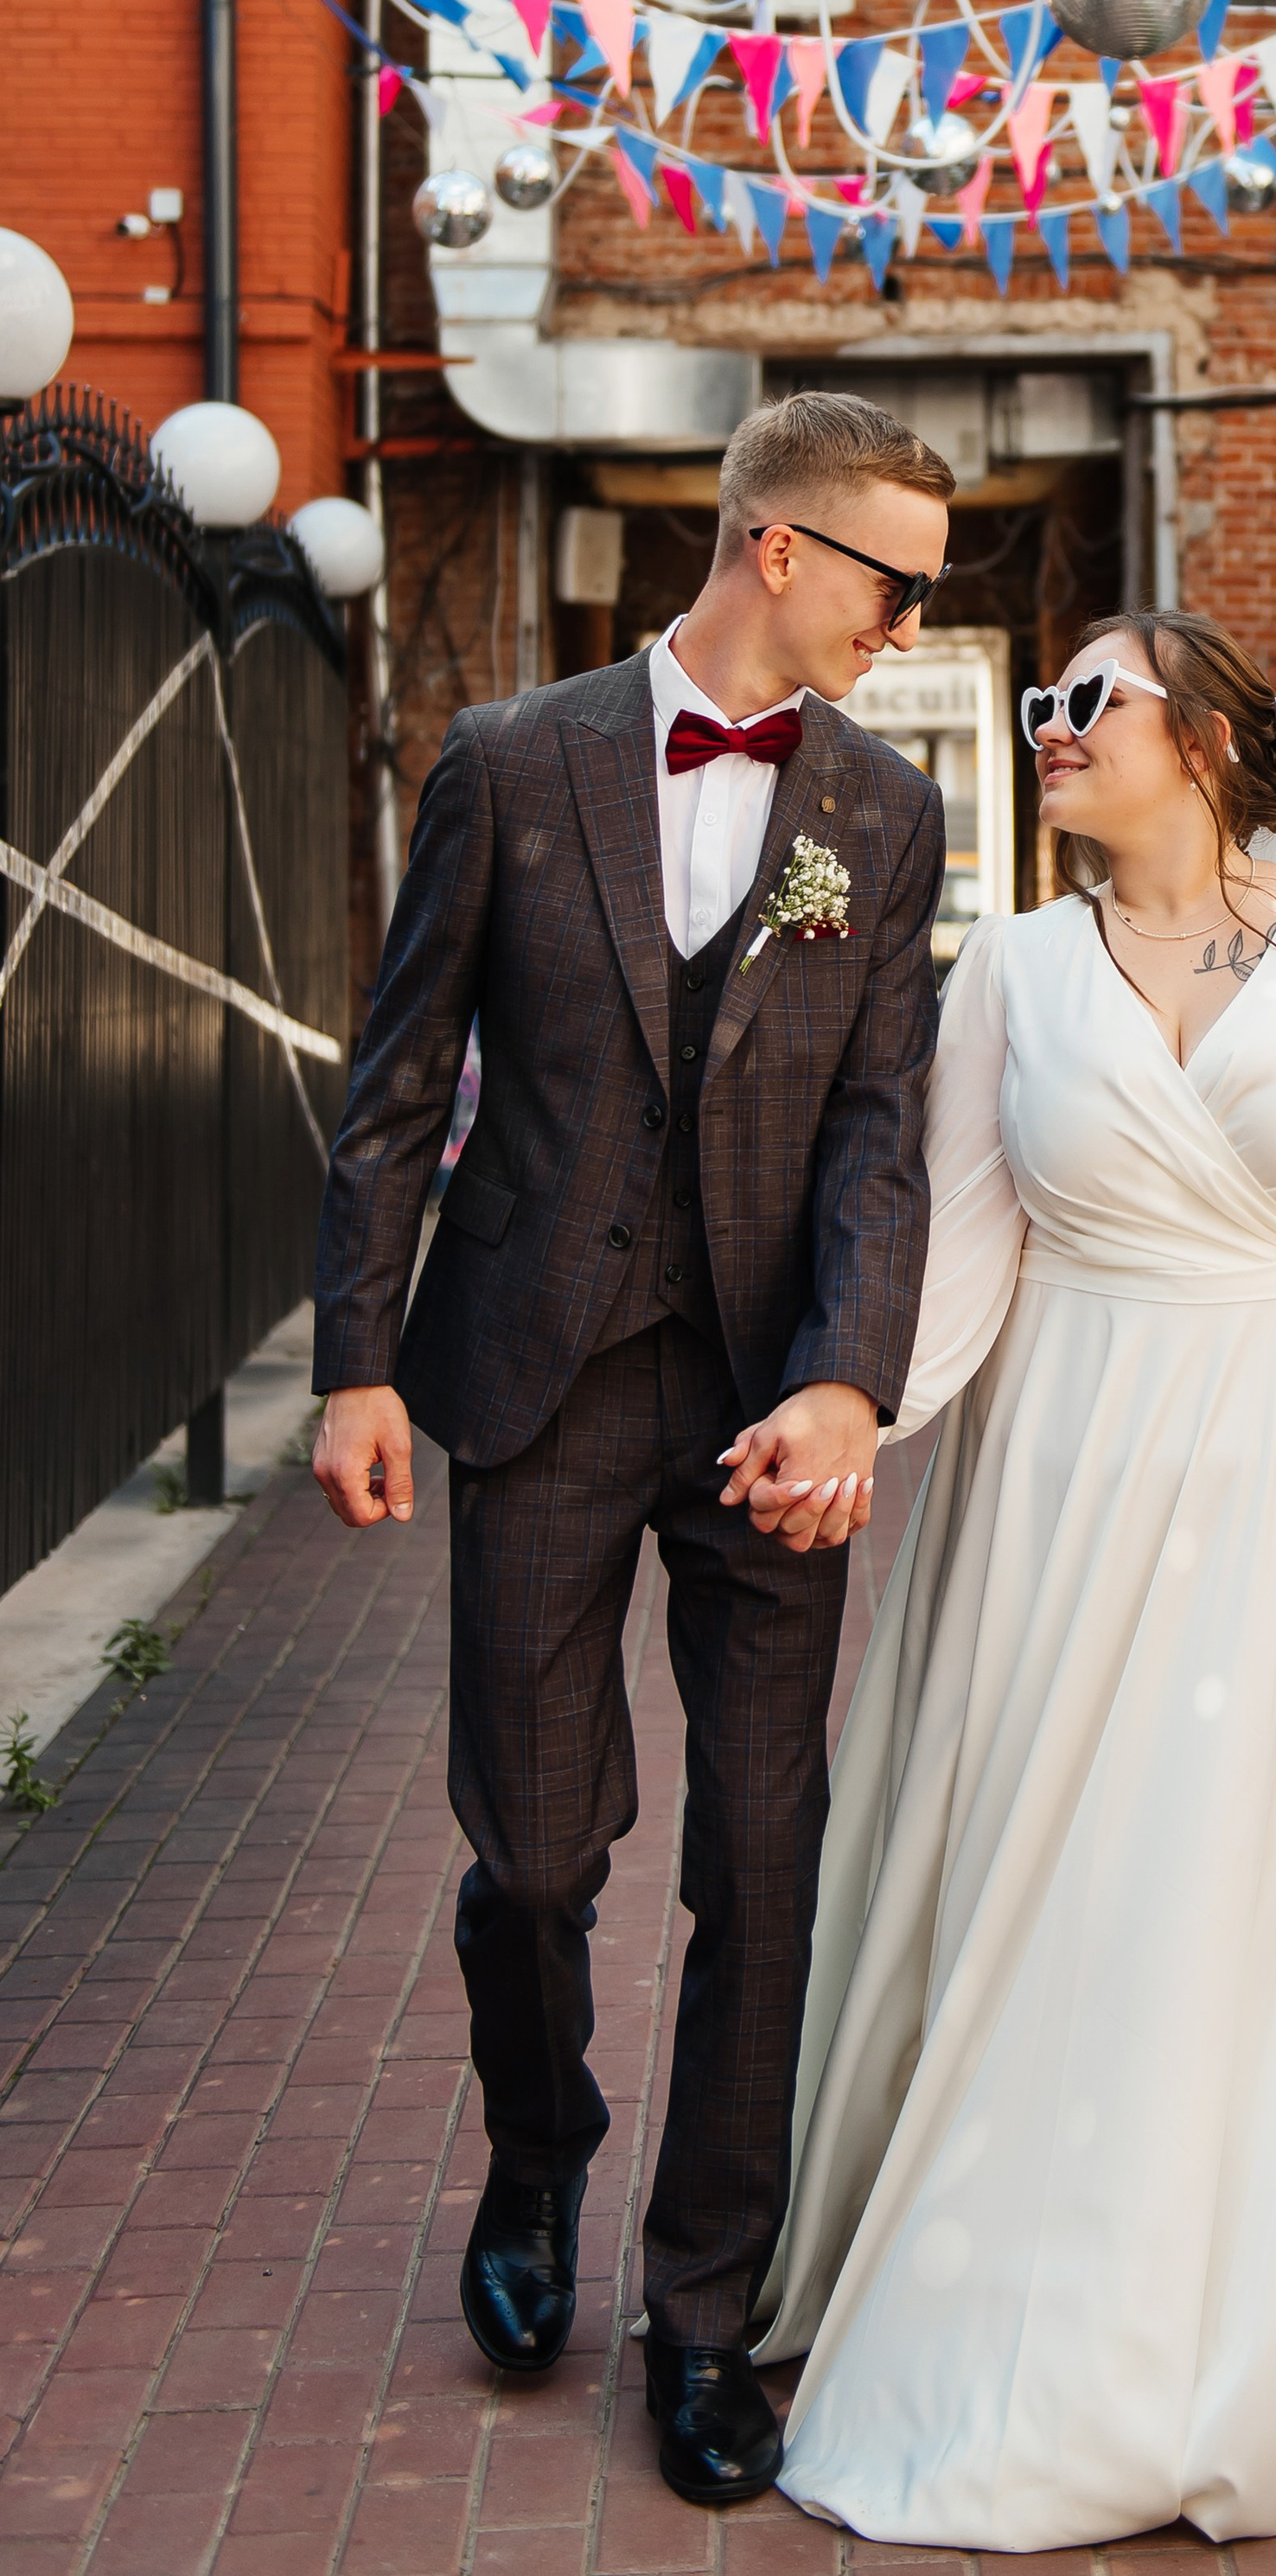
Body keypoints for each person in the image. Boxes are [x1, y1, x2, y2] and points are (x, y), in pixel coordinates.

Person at [731, 610, 1276, 2549]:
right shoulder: (1014, 972)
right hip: (1076, 1466)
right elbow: (962, 1246)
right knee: (1096, 1877)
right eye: (1039, 705)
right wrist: (851, 1409)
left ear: (1204, 740)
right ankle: (1071, 2273)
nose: (1048, 728)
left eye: (1084, 702)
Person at [309, 393, 955, 2509]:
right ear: (777, 546)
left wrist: (853, 1374)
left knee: (762, 1866)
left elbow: (879, 1126)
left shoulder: (883, 801)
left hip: (773, 1399)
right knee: (532, 1851)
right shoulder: (512, 762)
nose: (913, 616)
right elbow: (399, 1082)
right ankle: (533, 2164)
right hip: (535, 1372)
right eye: (893, 577)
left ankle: (706, 2312)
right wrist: (354, 1361)